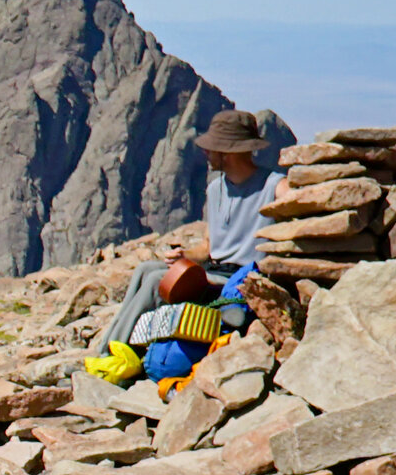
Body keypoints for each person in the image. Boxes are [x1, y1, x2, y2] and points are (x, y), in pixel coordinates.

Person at [95, 107, 288, 356]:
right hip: (213, 270)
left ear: (228, 152)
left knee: (157, 282)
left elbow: (300, 202)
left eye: (211, 147)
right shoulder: (216, 189)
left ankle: (113, 355)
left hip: (239, 280)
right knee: (146, 270)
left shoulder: (273, 185)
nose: (206, 152)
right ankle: (108, 348)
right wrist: (184, 256)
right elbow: (209, 247)